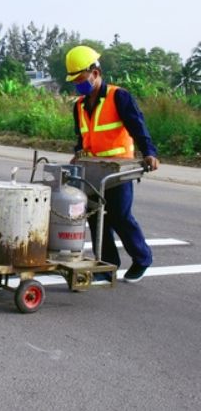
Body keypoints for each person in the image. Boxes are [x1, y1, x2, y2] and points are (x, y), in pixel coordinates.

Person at [66, 45, 159, 283]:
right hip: (92, 170)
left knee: (119, 215)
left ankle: (142, 258)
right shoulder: (78, 106)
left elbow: (138, 126)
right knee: (96, 217)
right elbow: (82, 137)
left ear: (95, 72)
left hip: (118, 170)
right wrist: (78, 153)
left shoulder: (119, 96)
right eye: (75, 81)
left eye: (81, 78)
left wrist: (149, 152)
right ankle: (107, 266)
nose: (79, 84)